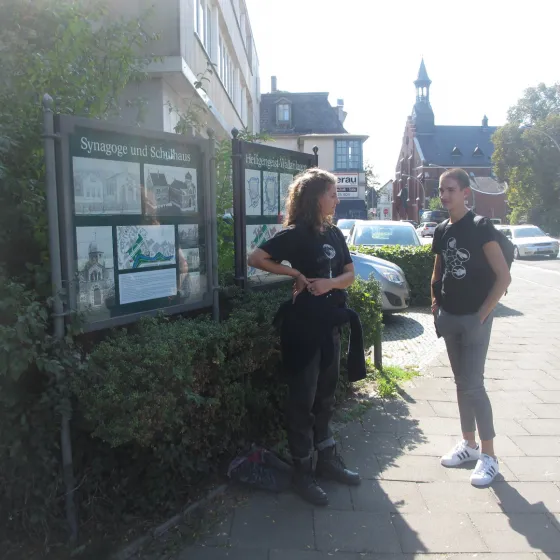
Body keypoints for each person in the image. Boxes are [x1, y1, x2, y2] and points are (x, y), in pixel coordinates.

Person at [248, 168, 362, 506]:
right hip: (303, 329)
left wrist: (330, 283)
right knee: (302, 401)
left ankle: (326, 460)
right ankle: (302, 472)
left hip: (331, 325)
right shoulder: (296, 234)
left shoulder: (335, 234)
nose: (337, 199)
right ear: (316, 198)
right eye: (332, 194)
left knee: (325, 397)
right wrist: (295, 272)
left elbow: (350, 273)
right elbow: (256, 257)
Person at [431, 168, 511, 487]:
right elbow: (438, 271)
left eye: (450, 189)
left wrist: (483, 314)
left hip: (474, 318)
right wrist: (434, 304)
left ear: (465, 192)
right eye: (441, 190)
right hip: (449, 316)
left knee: (474, 385)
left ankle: (489, 458)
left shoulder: (480, 227)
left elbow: (503, 277)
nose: (444, 195)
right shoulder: (441, 229)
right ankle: (469, 445)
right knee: (461, 383)